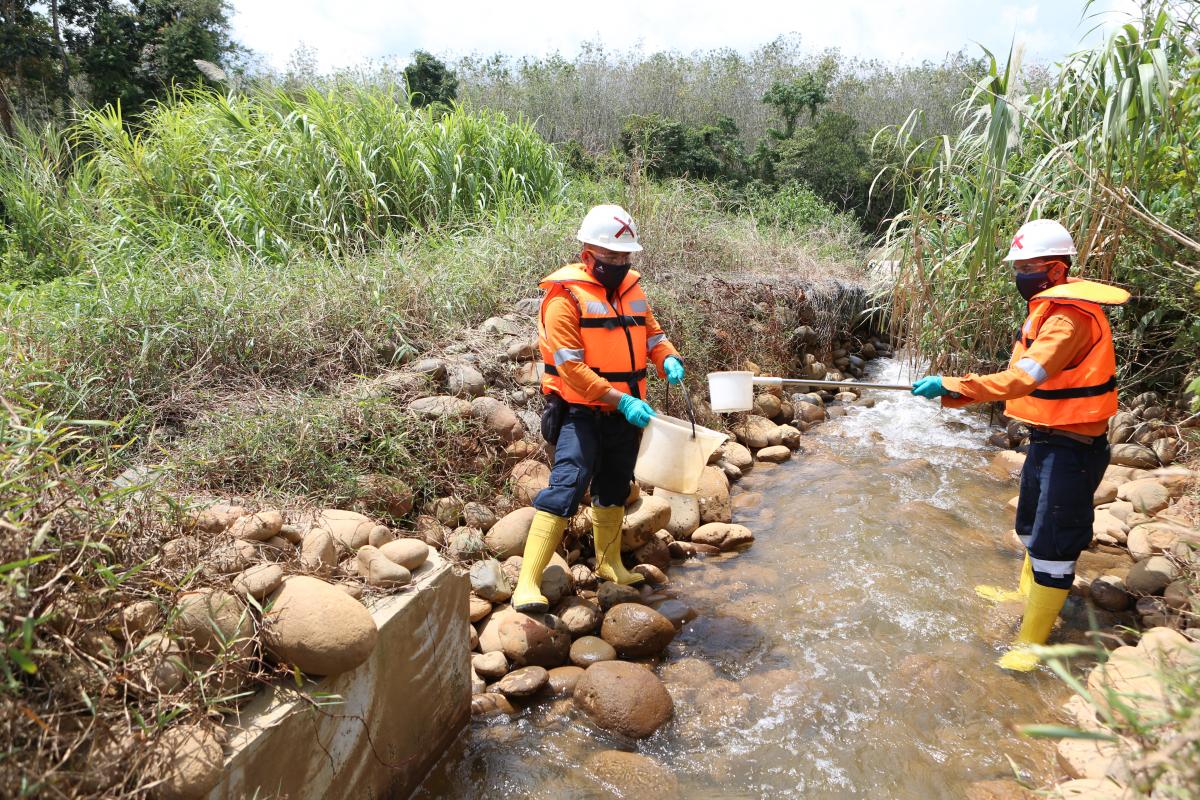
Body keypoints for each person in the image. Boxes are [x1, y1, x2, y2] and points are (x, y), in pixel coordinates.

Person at [910, 219, 1129, 671]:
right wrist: (955, 392)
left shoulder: (1068, 318)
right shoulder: (1046, 308)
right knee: (1031, 527)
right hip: (1048, 440)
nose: (1021, 275)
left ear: (1057, 269)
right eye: (1019, 267)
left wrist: (954, 385)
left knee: (1054, 545)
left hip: (1074, 448)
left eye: (1029, 267)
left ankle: (1032, 643)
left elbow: (1025, 378)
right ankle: (1025, 594)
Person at [511, 204, 685, 614]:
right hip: (580, 412)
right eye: (612, 256)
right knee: (567, 485)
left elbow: (652, 335)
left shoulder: (632, 291)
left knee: (615, 485)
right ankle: (526, 583)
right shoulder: (563, 298)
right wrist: (621, 399)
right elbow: (570, 368)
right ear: (587, 255)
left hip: (625, 413)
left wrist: (668, 357)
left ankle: (610, 565)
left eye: (626, 257)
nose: (620, 264)